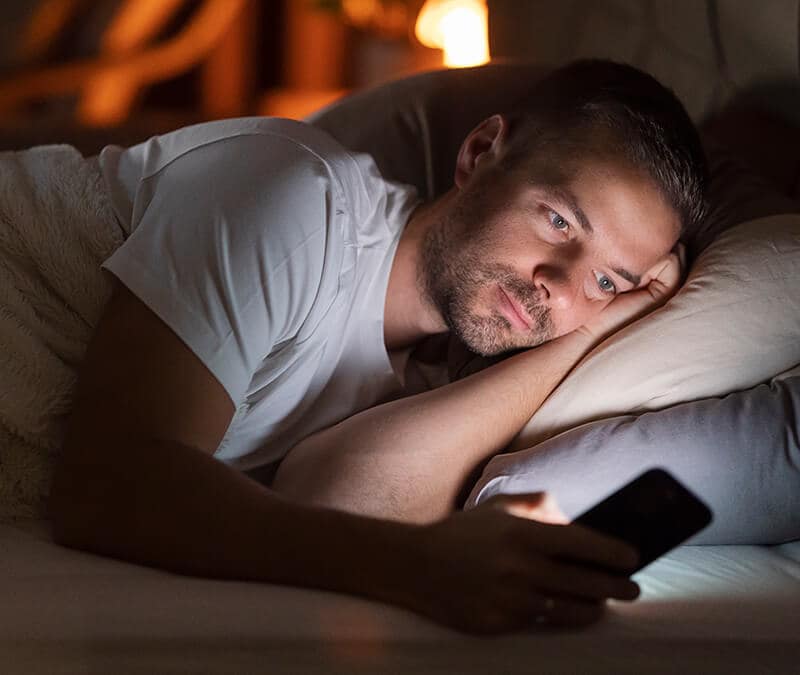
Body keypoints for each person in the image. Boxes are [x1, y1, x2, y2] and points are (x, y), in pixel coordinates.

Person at [50, 60, 707, 635]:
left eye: (604, 280)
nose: (557, 286)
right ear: (479, 154)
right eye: (559, 219)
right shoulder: (295, 198)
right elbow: (102, 480)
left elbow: (334, 504)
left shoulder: (430, 381)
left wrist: (597, 330)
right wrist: (418, 565)